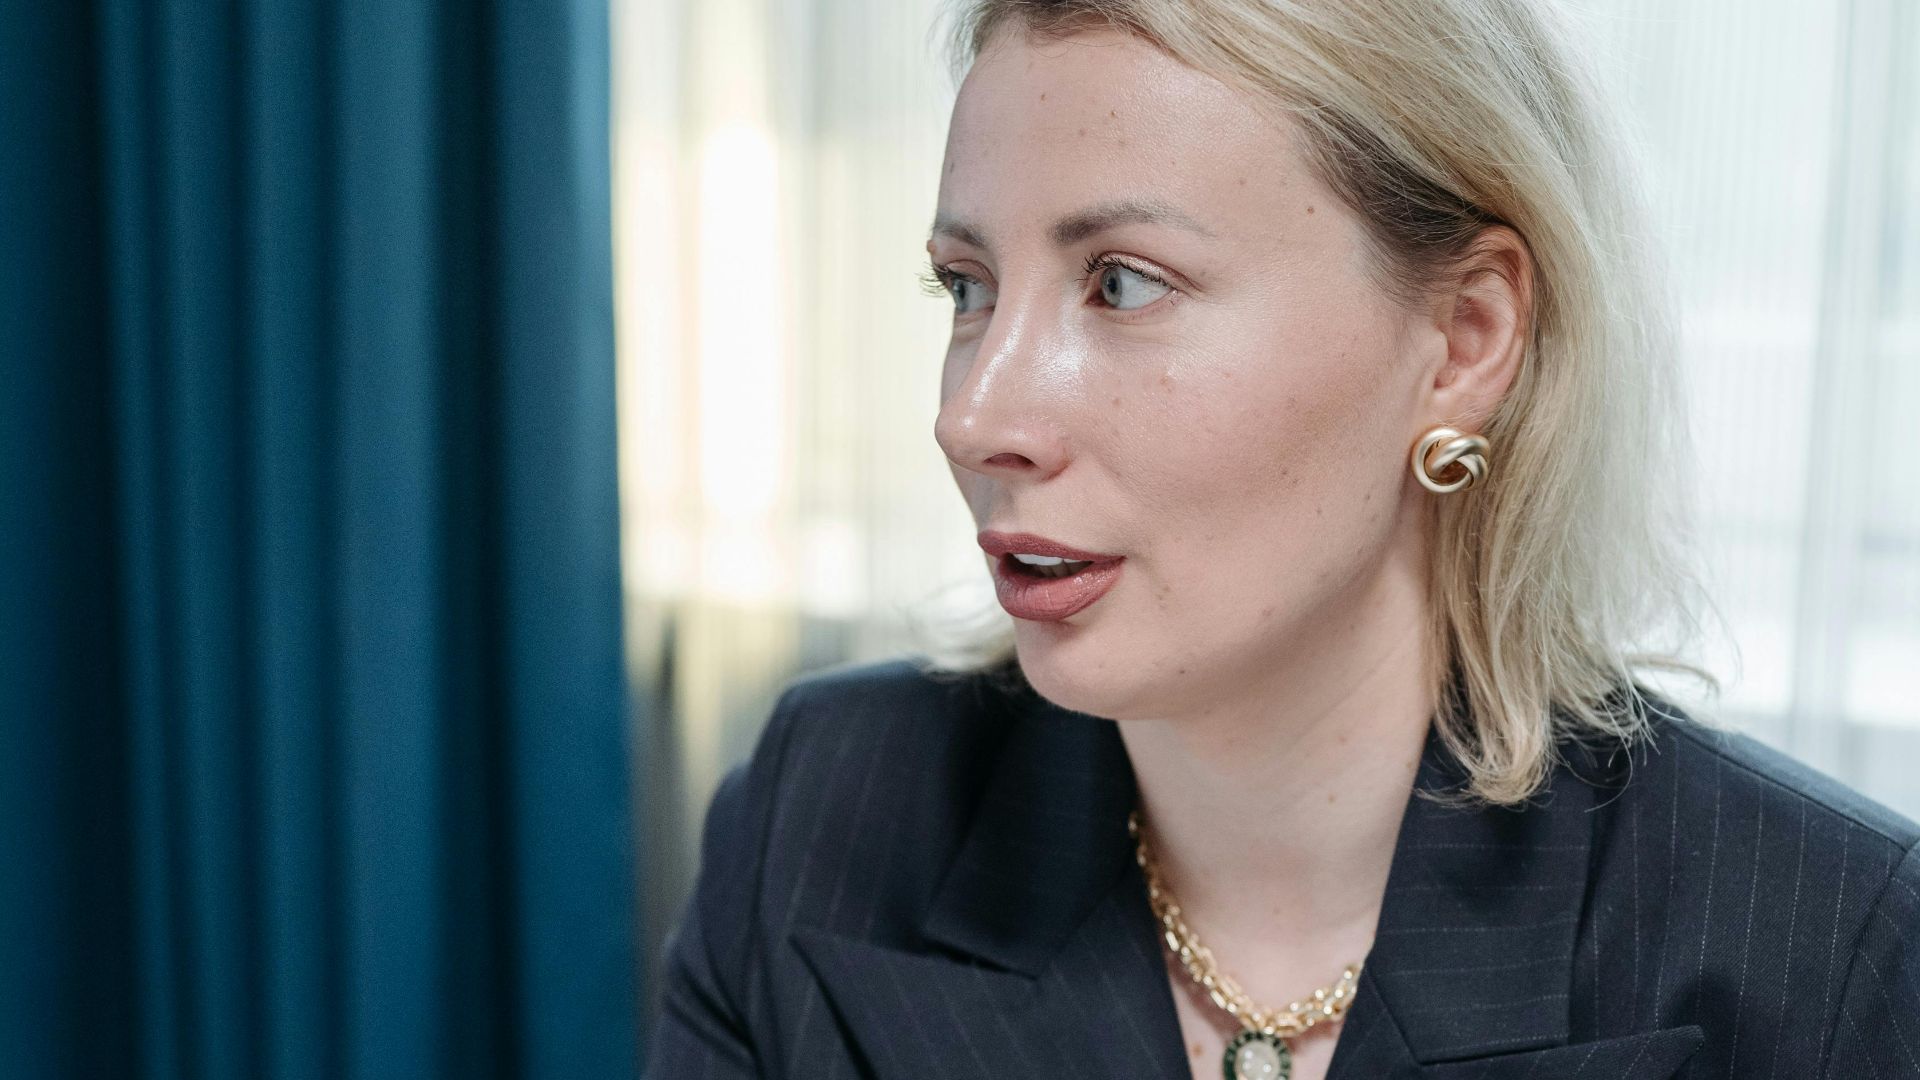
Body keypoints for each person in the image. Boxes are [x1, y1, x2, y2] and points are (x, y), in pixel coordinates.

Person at [643, 1, 1920, 1077]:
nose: (973, 417)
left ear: (1464, 343)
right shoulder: (823, 816)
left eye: (1123, 283)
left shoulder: (1827, 946)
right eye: (967, 289)